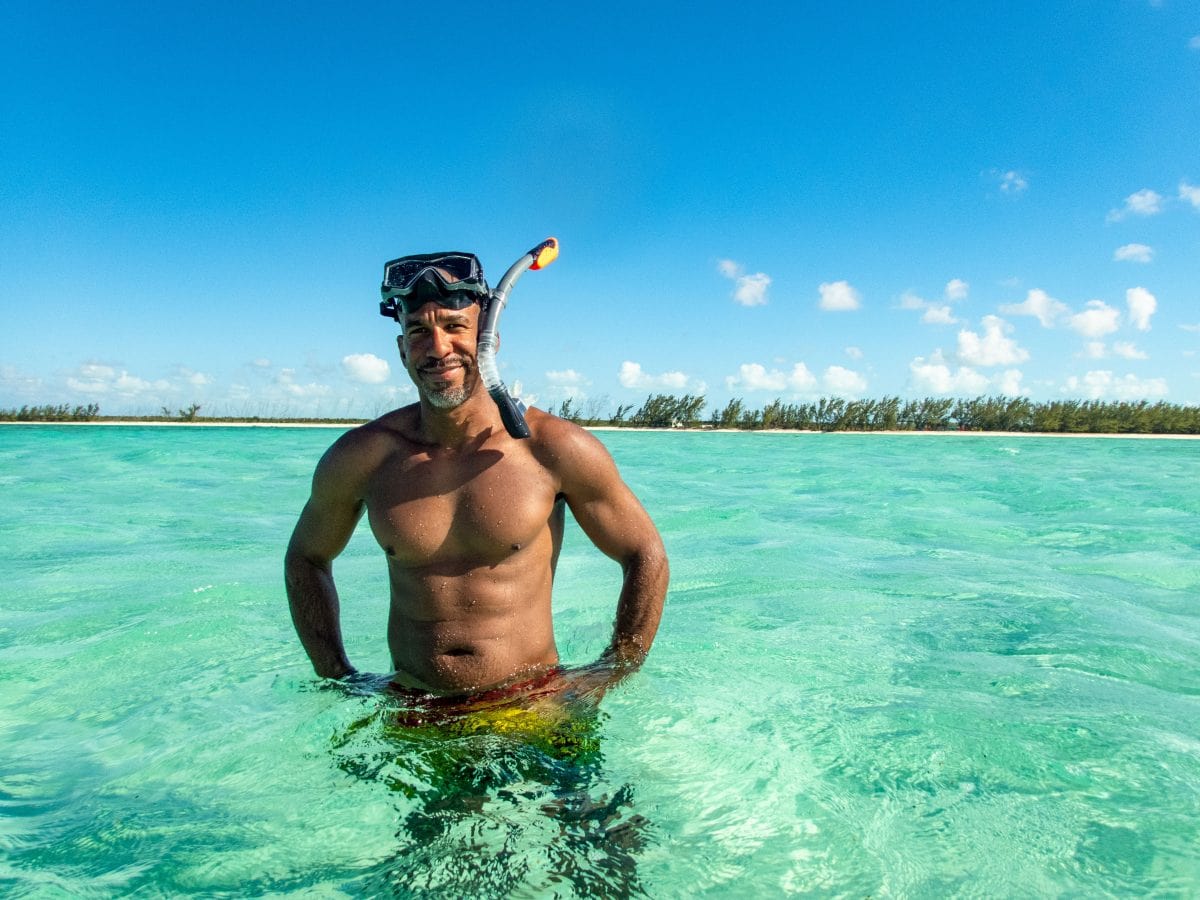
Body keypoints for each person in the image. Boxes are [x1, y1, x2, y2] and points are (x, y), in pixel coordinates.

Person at [285, 249, 668, 710]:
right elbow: (307, 557)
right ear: (401, 348)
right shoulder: (363, 456)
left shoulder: (554, 448)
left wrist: (614, 668)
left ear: (490, 339)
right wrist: (338, 675)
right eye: (418, 332)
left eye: (454, 326)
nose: (438, 348)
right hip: (416, 708)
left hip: (532, 702)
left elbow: (643, 552)